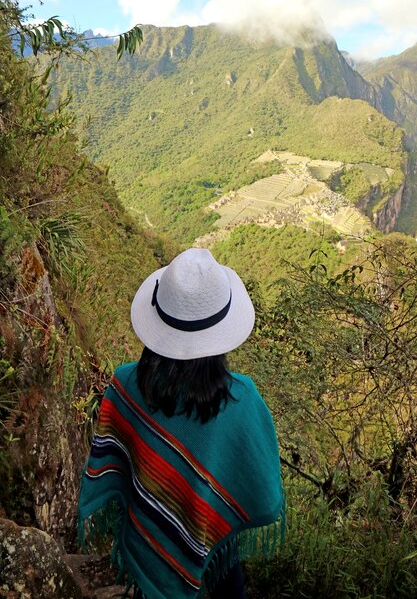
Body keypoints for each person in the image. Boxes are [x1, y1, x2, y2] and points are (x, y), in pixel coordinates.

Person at [78, 248, 284, 599]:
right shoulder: (241, 401)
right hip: (215, 547)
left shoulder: (125, 385)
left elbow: (119, 465)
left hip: (148, 537)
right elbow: (264, 493)